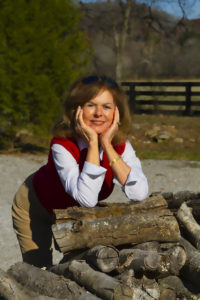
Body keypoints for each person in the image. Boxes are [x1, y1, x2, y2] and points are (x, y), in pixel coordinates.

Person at [11, 74, 148, 268]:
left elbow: (139, 193)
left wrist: (107, 145)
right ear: (76, 109)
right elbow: (87, 198)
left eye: (107, 107)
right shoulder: (62, 144)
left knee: (80, 268)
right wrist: (93, 142)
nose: (99, 113)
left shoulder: (121, 146)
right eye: (90, 105)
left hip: (75, 213)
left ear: (117, 112)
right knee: (39, 270)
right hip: (35, 207)